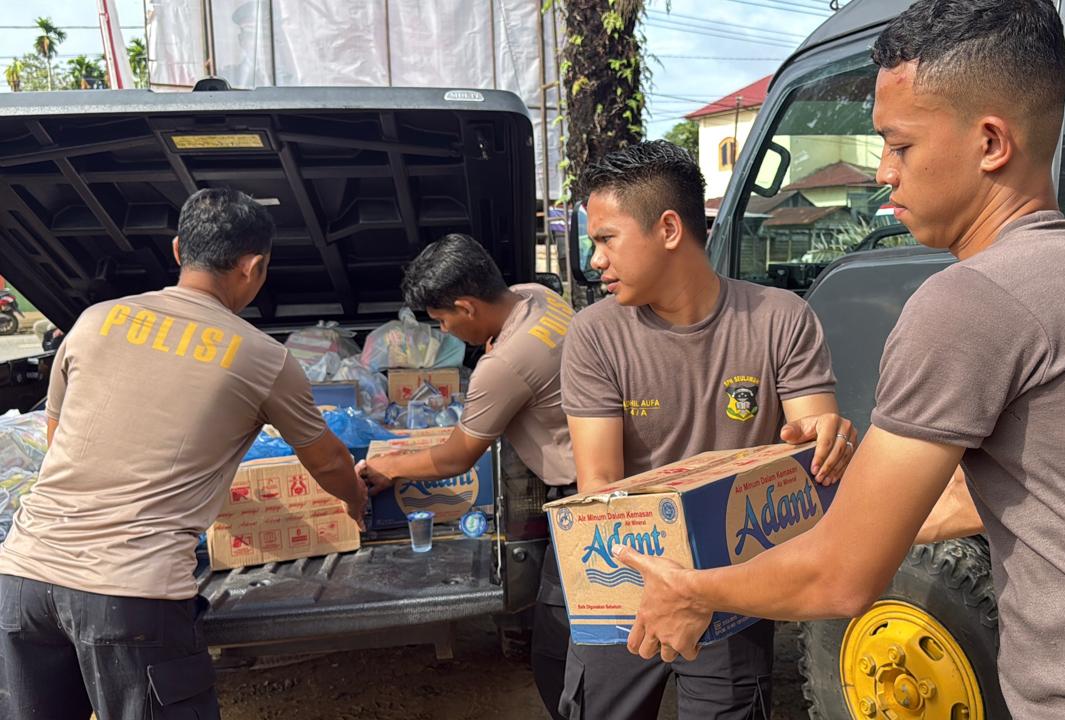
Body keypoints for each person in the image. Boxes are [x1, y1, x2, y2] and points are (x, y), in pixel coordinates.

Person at [614, 1, 1065, 718]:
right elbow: (1018, 493)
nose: (881, 173)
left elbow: (841, 581)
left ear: (990, 142)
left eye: (898, 145)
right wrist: (854, 496)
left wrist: (693, 590)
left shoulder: (971, 299)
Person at [0, 188, 368, 720]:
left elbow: (59, 436)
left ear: (177, 251)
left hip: (21, 579)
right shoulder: (262, 356)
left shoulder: (95, 320)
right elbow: (330, 461)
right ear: (254, 266)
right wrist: (355, 502)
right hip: (131, 597)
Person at [560, 140, 856, 719]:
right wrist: (669, 586)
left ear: (669, 228)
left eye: (606, 239)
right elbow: (601, 487)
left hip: (735, 584)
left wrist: (827, 438)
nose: (595, 260)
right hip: (625, 576)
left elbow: (808, 452)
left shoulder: (780, 319)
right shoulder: (594, 334)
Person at [358, 233, 577, 720]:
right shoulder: (538, 296)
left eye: (443, 320)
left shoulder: (503, 365)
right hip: (603, 470)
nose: (446, 332)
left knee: (557, 653)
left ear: (466, 305)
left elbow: (455, 457)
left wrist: (388, 467)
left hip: (581, 497)